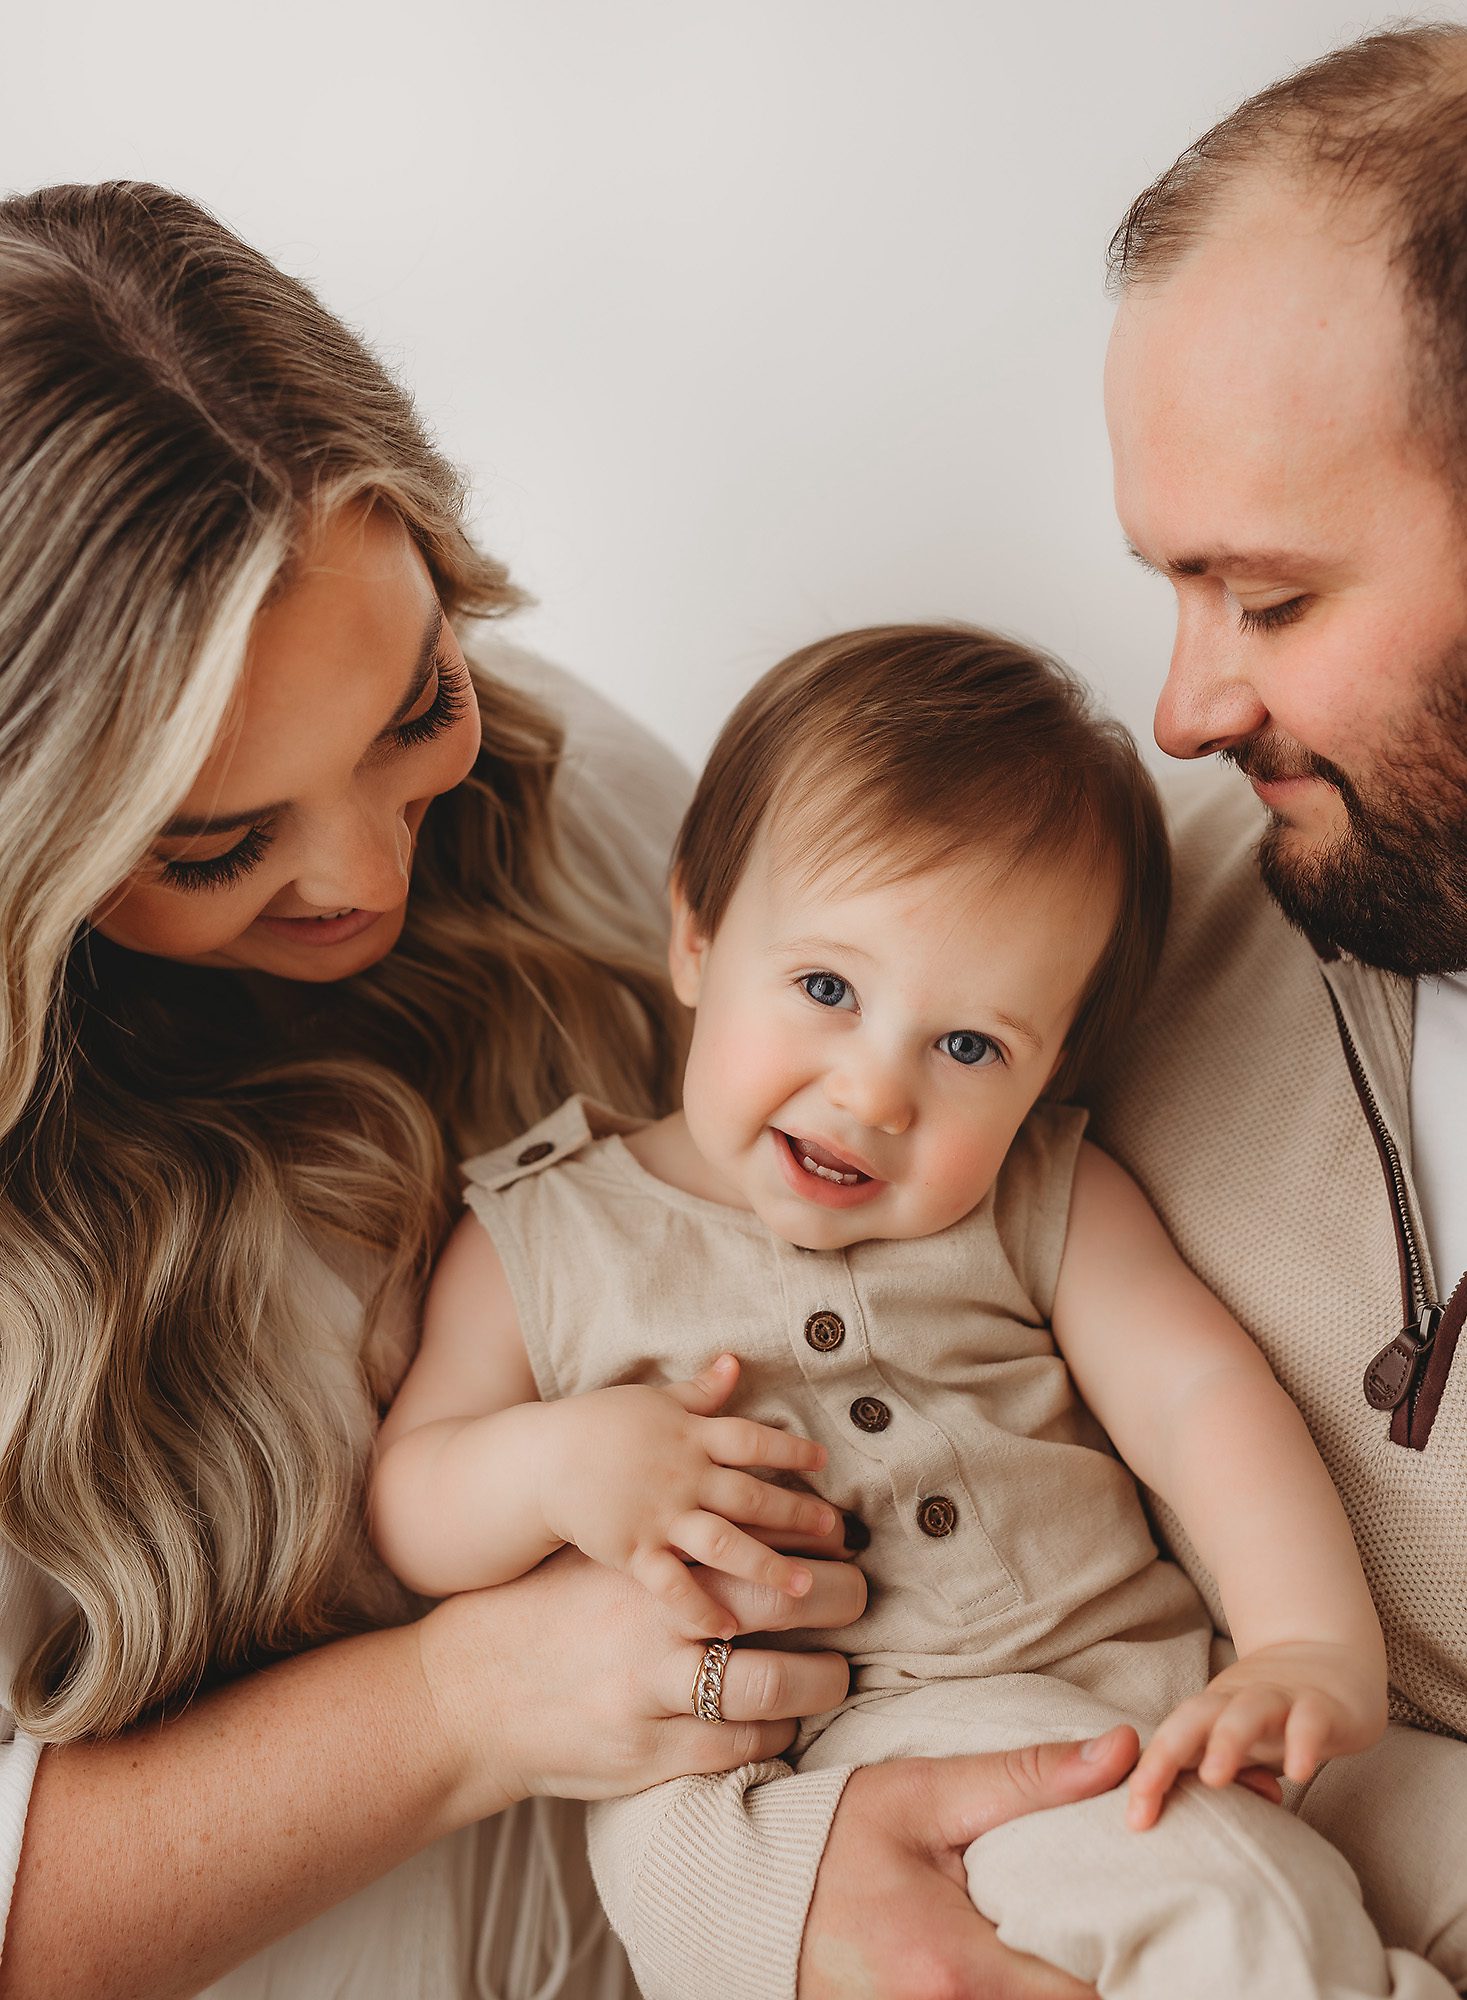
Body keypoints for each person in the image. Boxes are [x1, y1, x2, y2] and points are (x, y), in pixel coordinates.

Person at [0, 180, 969, 2000]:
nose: (367, 876)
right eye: (216, 846)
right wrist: (475, 1702)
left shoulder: (559, 787)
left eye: (412, 712)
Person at [371, 623, 1457, 1998]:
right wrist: (555, 1463)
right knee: (1228, 1909)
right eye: (827, 988)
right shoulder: (546, 1230)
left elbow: (1199, 1407)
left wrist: (1307, 1647)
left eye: (968, 1047)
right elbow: (410, 1507)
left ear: (1050, 1066)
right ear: (696, 936)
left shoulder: (1041, 1192)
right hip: (910, 1765)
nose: (876, 1093)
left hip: (1196, 1692)